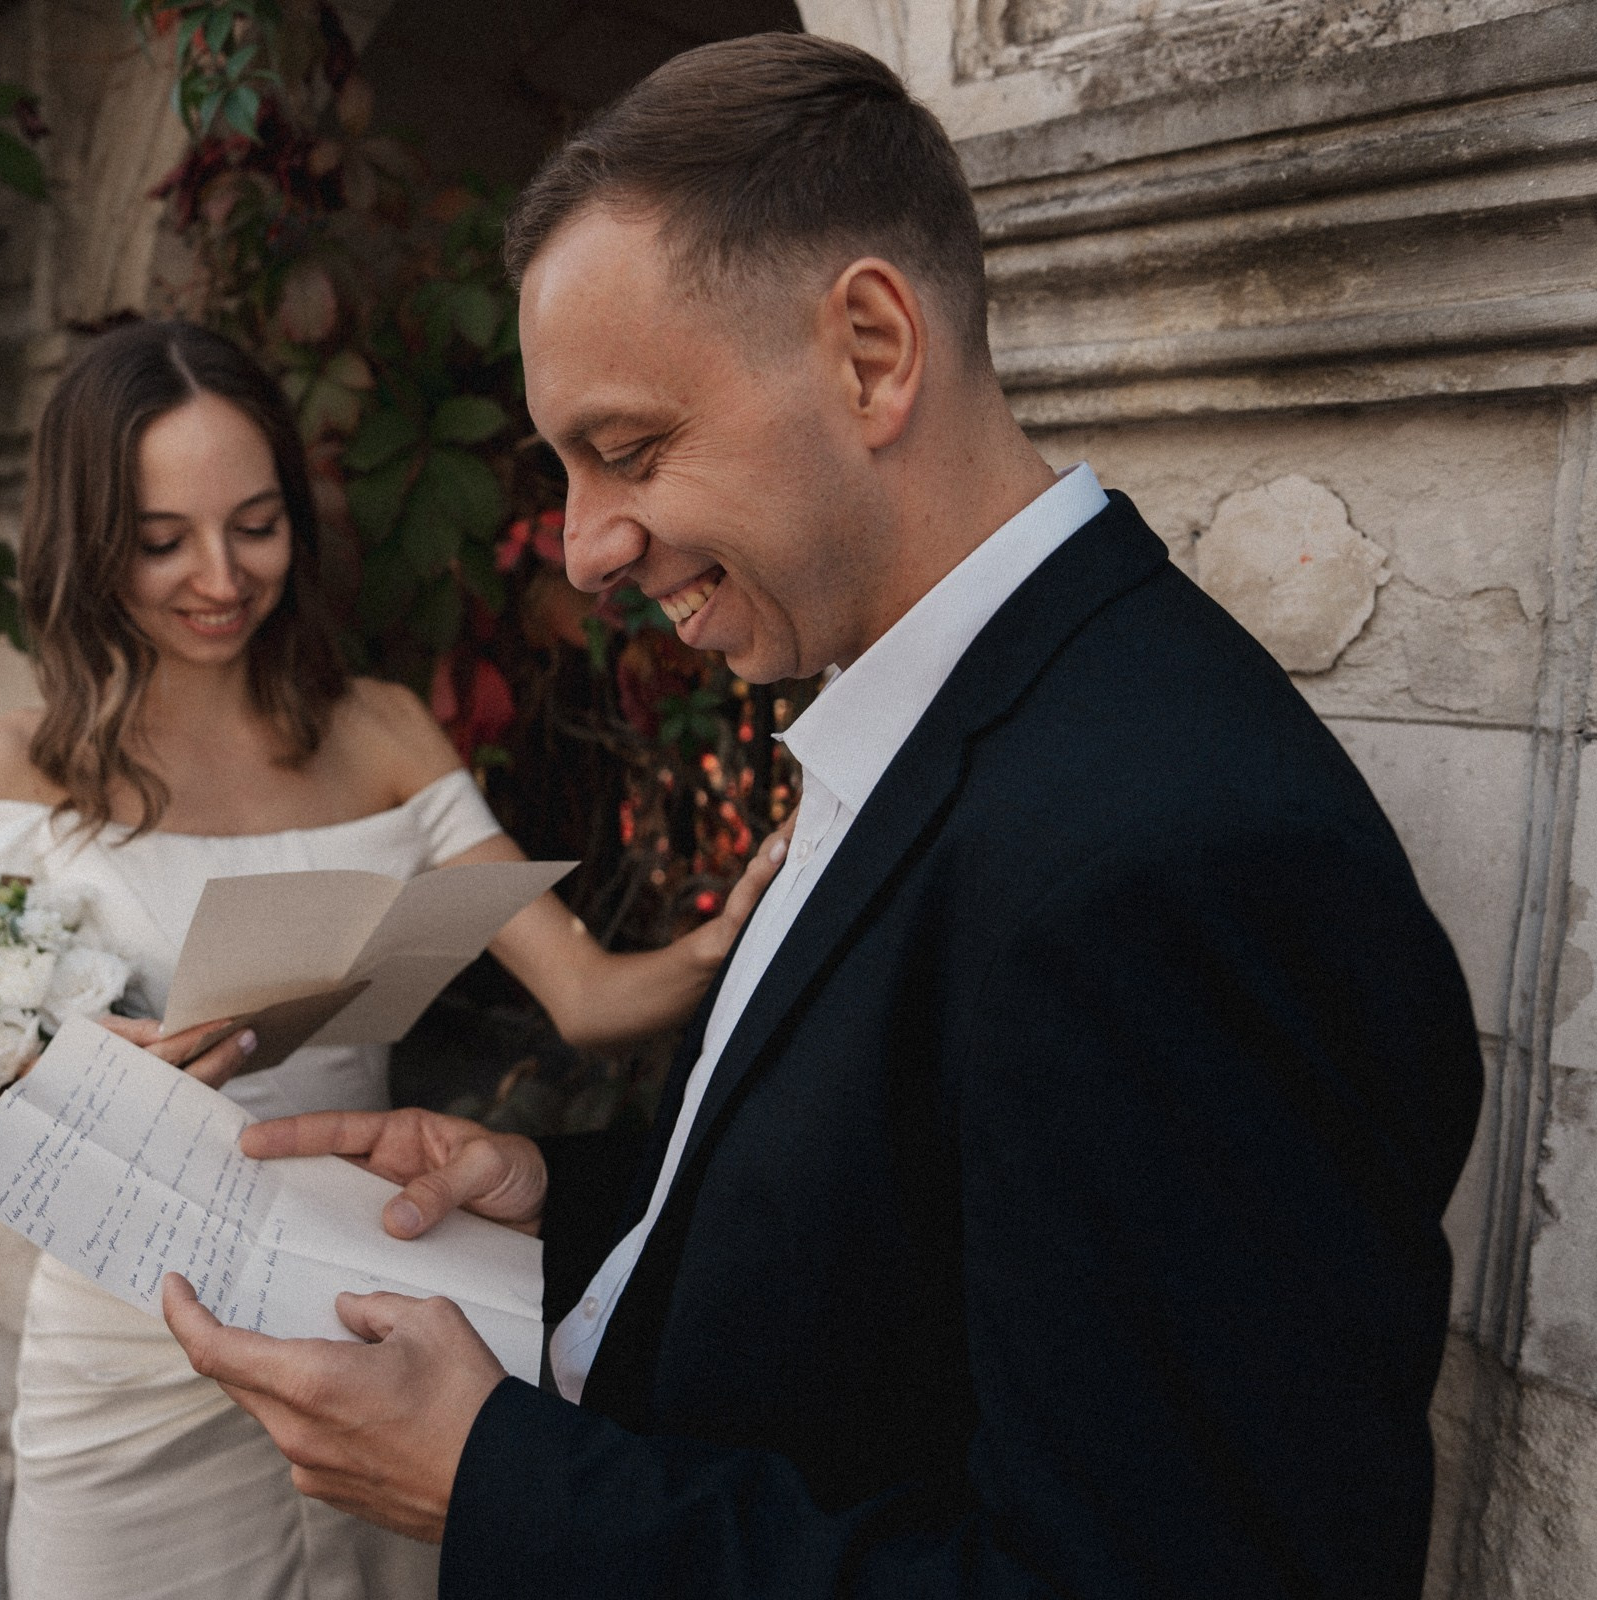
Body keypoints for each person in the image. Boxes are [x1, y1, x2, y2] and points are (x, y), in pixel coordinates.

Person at [157, 33, 1484, 1600]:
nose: (584, 548)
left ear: (870, 350)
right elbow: (903, 1248)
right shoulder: (943, 710)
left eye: (628, 451)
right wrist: (556, 1213)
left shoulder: (1177, 857)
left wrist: (503, 1483)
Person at [0, 318, 789, 1600]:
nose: (221, 575)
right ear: (88, 543)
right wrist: (81, 1076)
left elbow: (587, 996)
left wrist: (732, 937)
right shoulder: (16, 769)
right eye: (162, 540)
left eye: (256, 524)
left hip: (371, 1312)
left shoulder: (383, 731)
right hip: (126, 1345)